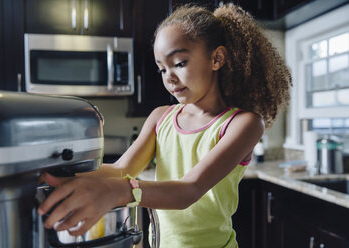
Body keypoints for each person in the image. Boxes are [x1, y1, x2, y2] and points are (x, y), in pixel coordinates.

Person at [38, 3, 291, 247]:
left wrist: (118, 192)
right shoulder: (161, 117)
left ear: (217, 58)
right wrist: (59, 171)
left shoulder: (243, 124)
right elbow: (122, 169)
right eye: (161, 69)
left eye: (179, 63)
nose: (169, 78)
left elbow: (188, 190)